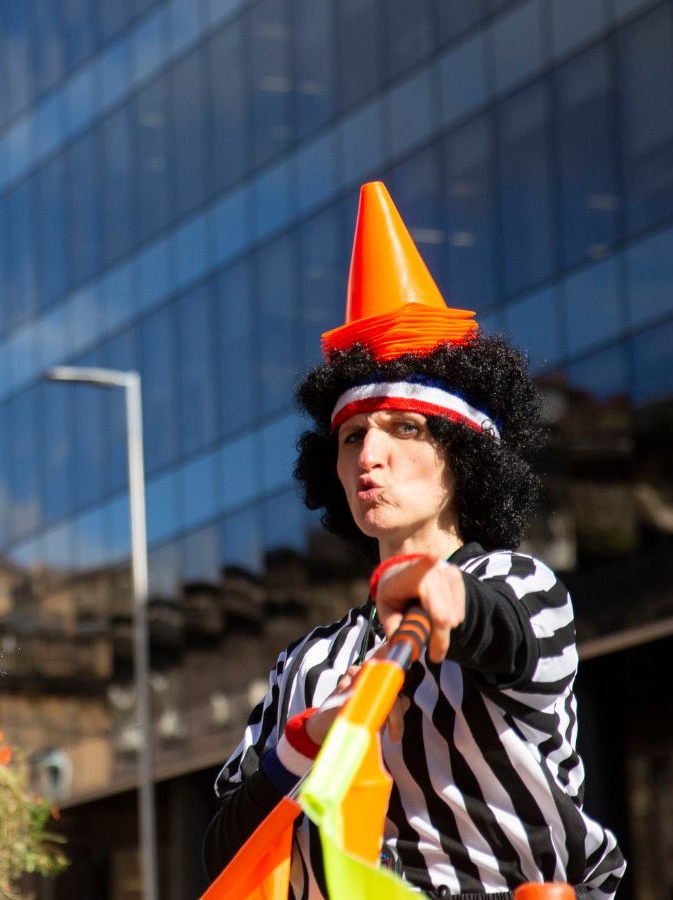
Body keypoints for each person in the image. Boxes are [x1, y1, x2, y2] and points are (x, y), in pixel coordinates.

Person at [202, 183, 627, 898]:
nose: (370, 454)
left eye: (405, 429)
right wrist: (310, 735)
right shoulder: (305, 665)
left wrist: (446, 589)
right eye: (351, 436)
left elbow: (507, 629)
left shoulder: (523, 586)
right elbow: (222, 854)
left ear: (462, 459)